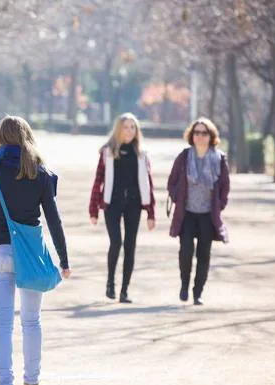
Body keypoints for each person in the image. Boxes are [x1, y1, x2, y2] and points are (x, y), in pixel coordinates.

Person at [0, 116, 71, 385]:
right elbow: (54, 219)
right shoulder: (38, 172)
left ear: (0, 137)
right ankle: (32, 380)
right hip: (30, 254)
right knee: (31, 322)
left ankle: (5, 380)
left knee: (2, 323)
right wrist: (64, 259)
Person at [88, 113, 156, 303]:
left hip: (134, 204)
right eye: (125, 127)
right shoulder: (108, 152)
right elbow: (98, 180)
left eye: (132, 127)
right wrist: (93, 209)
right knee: (116, 242)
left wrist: (151, 212)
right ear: (118, 129)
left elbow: (148, 184)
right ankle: (110, 283)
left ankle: (124, 290)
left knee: (130, 245)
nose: (129, 131)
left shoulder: (142, 154)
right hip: (112, 203)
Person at [167, 117, 230, 305]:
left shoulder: (219, 158)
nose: (200, 136)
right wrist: (177, 195)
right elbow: (172, 181)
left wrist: (220, 204)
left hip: (207, 215)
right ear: (191, 135)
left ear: (211, 136)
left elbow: (225, 185)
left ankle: (198, 292)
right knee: (186, 251)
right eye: (197, 133)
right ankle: (184, 285)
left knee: (204, 254)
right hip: (186, 213)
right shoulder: (184, 157)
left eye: (204, 133)